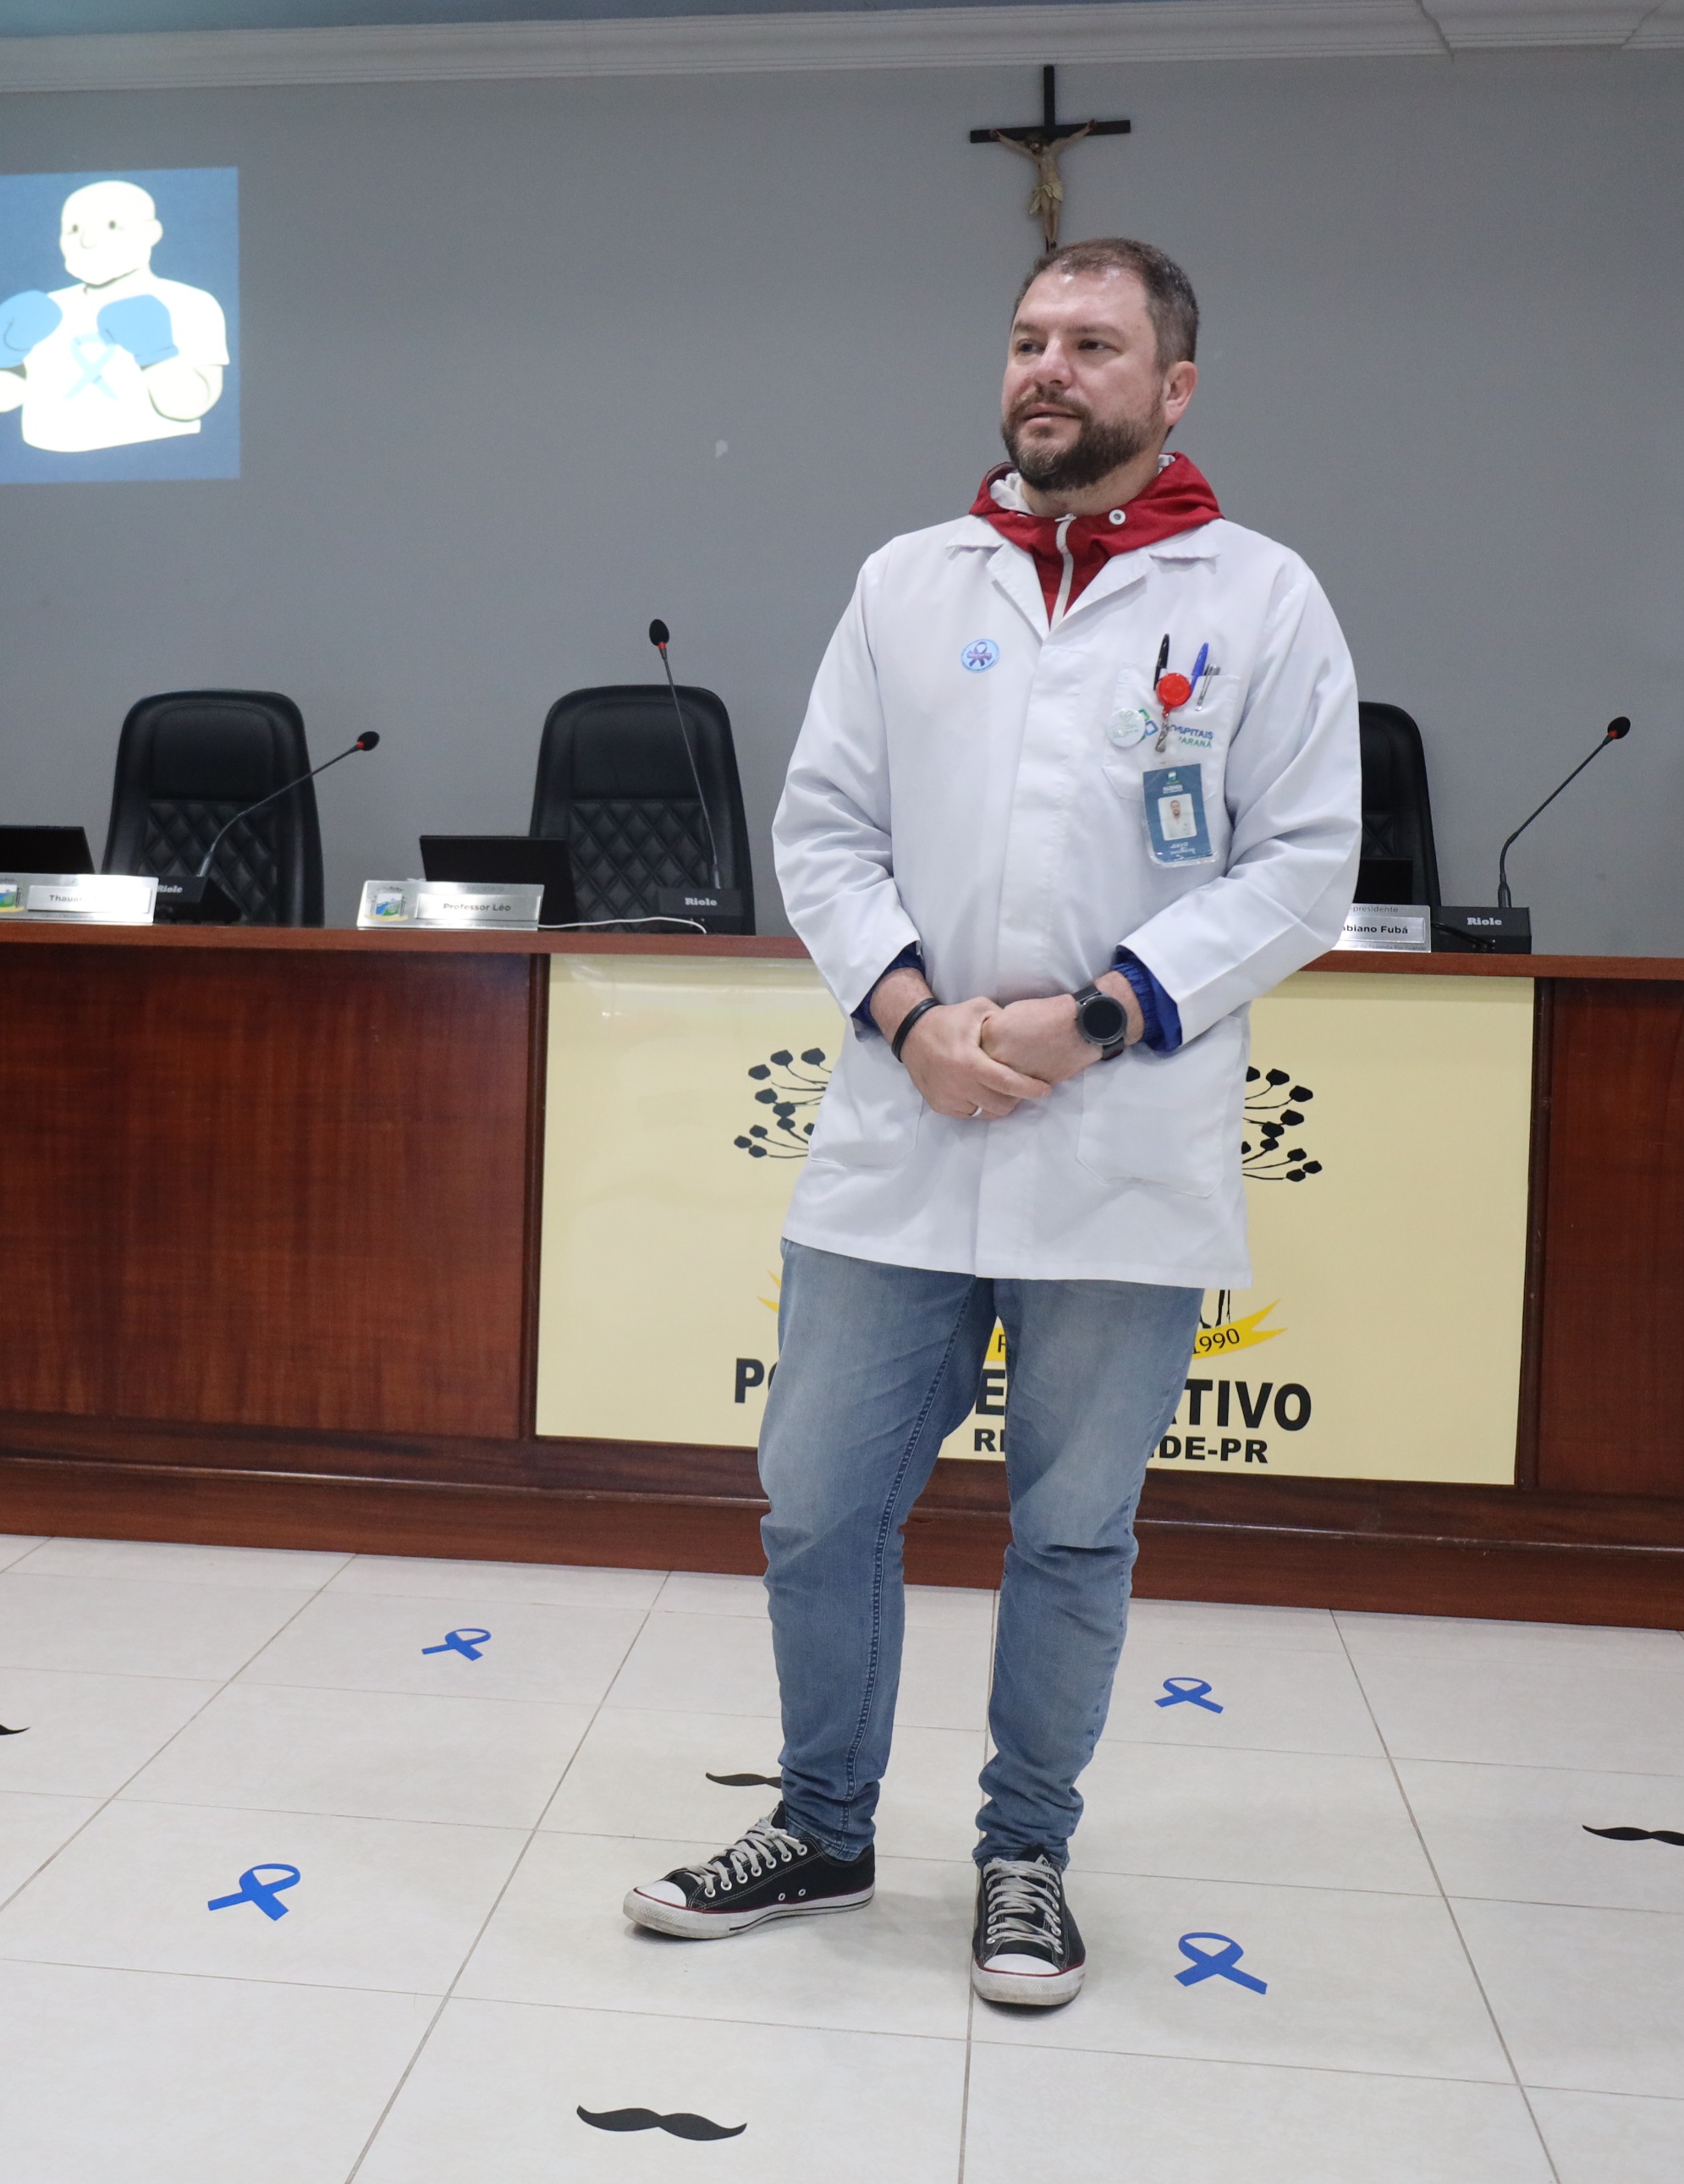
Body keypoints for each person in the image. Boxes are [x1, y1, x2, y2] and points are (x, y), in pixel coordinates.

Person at [620, 239, 1360, 2007]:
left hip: (1123, 1140)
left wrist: (1095, 1017)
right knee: (816, 1502)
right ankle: (821, 1828)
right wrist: (912, 1018)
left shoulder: (1259, 598)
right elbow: (822, 831)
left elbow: (1302, 866)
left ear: (1173, 387)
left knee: (1074, 1529)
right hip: (906, 1126)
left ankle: (1025, 1852)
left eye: (1093, 344)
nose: (1048, 369)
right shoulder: (906, 582)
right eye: (1029, 339)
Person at [0, 179, 230, 453]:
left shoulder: (190, 302)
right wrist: (1, 355)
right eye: (73, 230)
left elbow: (192, 406)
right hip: (45, 461)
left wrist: (159, 355)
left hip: (157, 460)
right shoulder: (45, 308)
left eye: (111, 225)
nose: (87, 241)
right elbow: (1, 401)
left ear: (151, 232)